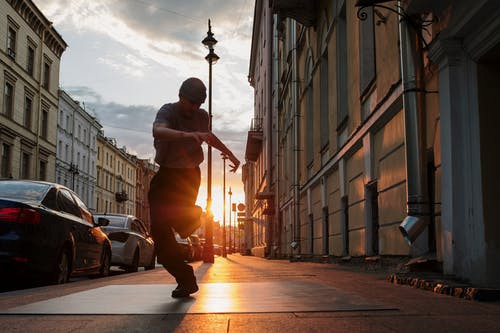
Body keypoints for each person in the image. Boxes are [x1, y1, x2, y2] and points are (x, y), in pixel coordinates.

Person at [149, 77, 240, 298]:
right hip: (167, 173)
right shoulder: (168, 111)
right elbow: (158, 131)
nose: (195, 108)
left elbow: (208, 135)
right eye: (191, 103)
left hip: (189, 175)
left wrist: (230, 154)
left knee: (179, 222)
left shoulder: (201, 116)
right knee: (160, 237)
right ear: (181, 96)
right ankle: (185, 280)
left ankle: (191, 217)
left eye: (199, 104)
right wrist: (187, 135)